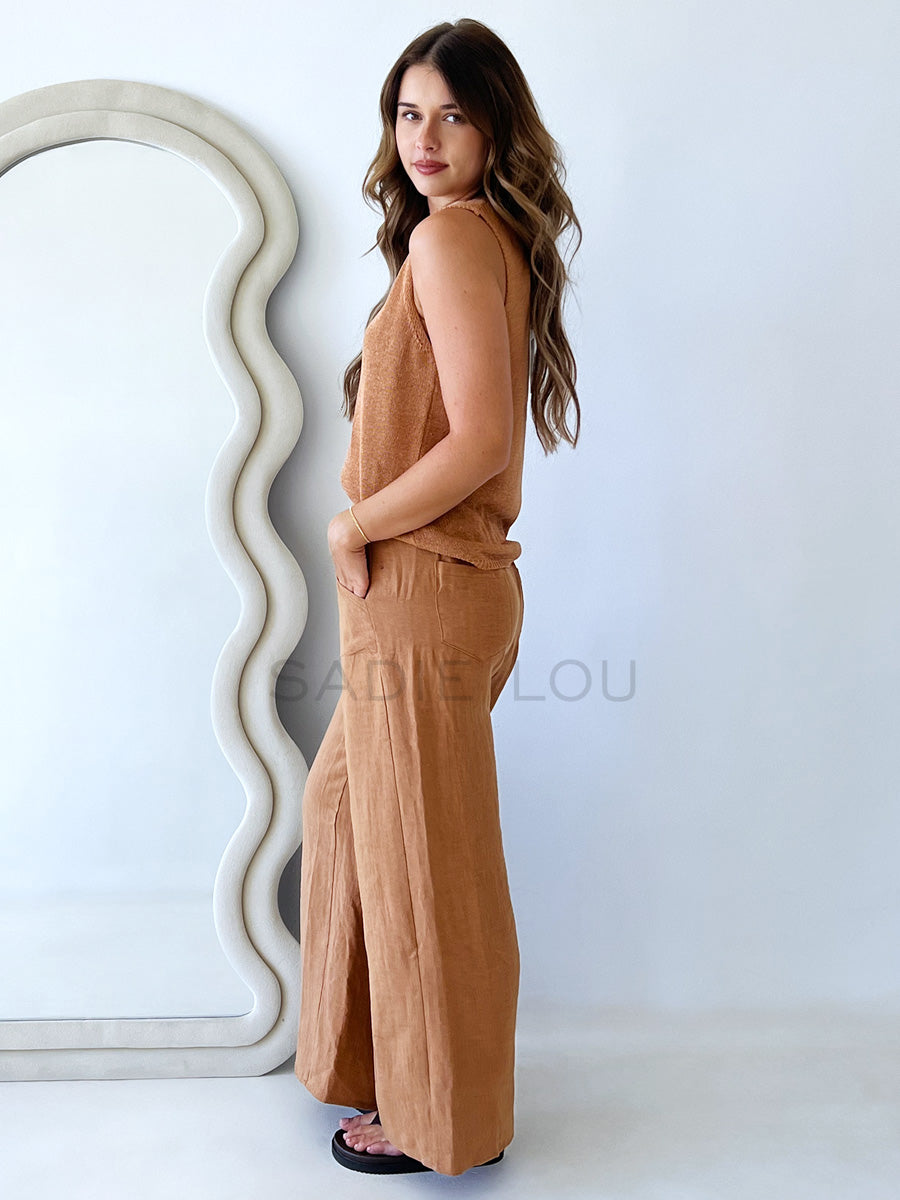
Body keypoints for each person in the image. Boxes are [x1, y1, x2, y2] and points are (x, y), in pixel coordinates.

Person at [293, 17, 581, 1177]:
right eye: (409, 113)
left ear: (495, 128)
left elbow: (480, 442)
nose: (425, 136)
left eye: (454, 114)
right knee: (344, 812)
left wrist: (353, 523)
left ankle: (436, 1115)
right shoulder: (472, 235)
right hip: (432, 590)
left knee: (422, 858)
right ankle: (382, 1062)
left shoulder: (454, 238)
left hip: (422, 585)